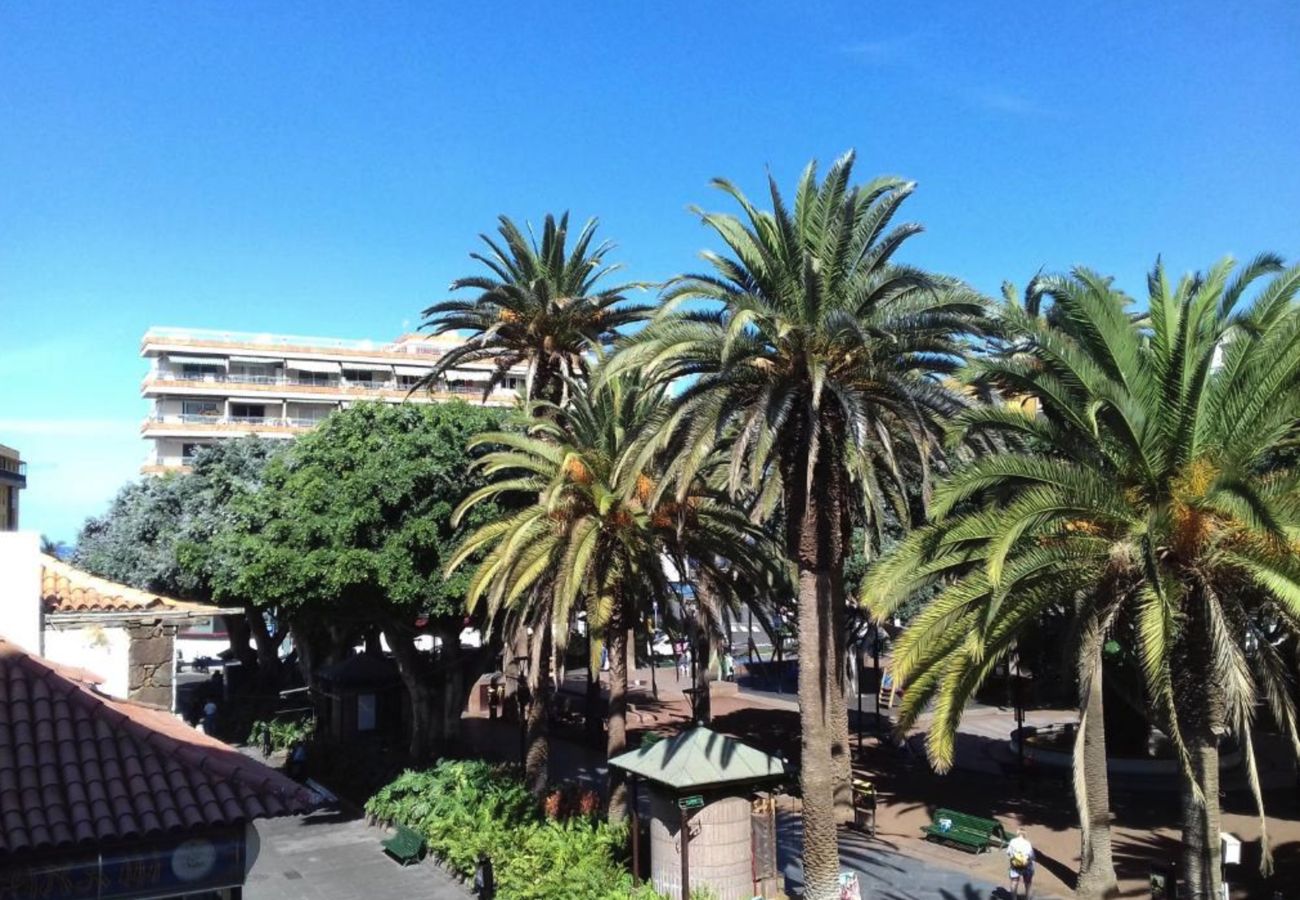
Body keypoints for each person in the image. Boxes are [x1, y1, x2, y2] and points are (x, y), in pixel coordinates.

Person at [1006, 828, 1035, 898]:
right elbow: (1031, 855)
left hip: (1015, 865)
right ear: (1025, 834)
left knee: (1014, 881)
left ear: (1017, 833)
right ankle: (1027, 897)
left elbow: (1008, 852)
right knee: (1028, 883)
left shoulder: (1012, 841)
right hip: (1026, 865)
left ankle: (1014, 898)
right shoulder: (1027, 843)